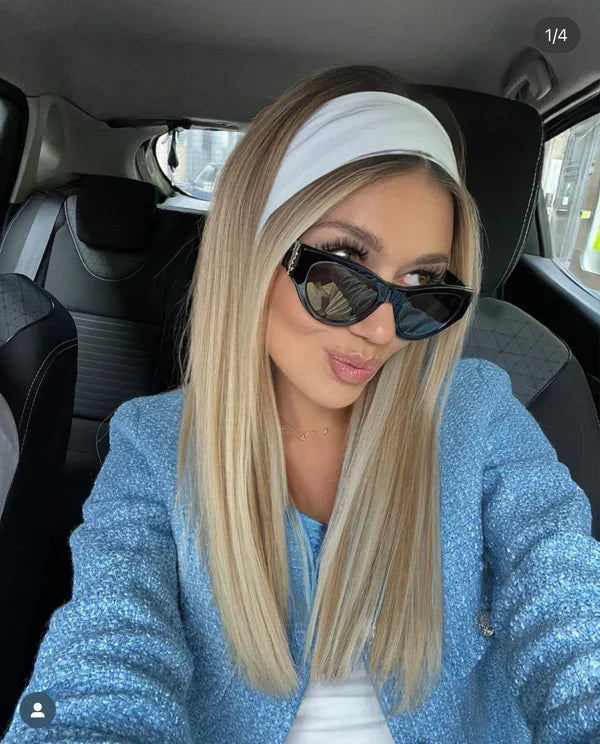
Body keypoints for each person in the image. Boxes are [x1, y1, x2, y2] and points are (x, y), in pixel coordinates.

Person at [2, 64, 599, 744]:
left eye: (422, 283)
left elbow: (564, 596)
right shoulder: (154, 444)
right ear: (254, 248)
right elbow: (105, 659)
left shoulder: (477, 412)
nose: (383, 329)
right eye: (341, 267)